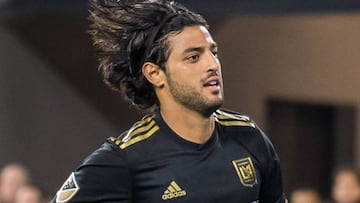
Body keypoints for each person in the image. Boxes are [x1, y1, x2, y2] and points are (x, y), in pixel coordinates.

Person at [51, 0, 286, 202]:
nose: (212, 65)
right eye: (193, 57)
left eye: (212, 52)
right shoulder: (125, 159)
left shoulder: (250, 138)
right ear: (155, 74)